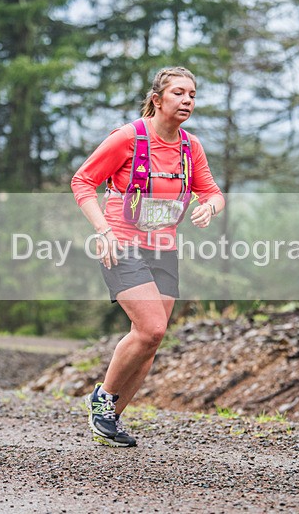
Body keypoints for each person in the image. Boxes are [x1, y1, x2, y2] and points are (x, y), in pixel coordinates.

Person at [71, 66, 225, 447]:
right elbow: (82, 181)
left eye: (192, 94)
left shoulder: (191, 147)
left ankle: (111, 419)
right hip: (121, 243)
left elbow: (213, 192)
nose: (187, 100)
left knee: (151, 340)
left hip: (164, 250)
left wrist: (210, 207)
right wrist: (102, 231)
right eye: (178, 92)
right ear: (157, 99)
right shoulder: (128, 138)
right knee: (152, 328)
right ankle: (103, 399)